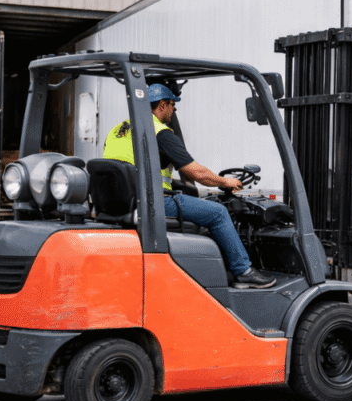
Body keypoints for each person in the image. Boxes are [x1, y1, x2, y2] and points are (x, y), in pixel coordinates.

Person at [103, 82, 275, 289]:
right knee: (218, 212)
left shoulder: (118, 130)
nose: (173, 110)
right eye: (173, 106)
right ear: (163, 105)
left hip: (122, 203)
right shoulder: (160, 132)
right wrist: (225, 182)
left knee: (196, 202)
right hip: (154, 204)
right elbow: (197, 173)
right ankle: (243, 270)